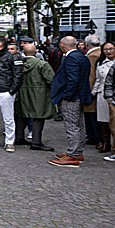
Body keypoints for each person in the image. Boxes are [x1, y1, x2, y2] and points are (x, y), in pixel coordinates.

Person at [48, 35, 93, 167]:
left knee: (72, 125)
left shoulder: (71, 58)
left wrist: (67, 95)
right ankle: (77, 152)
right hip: (80, 95)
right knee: (79, 124)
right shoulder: (81, 57)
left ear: (62, 46)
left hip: (72, 97)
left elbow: (73, 79)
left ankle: (73, 155)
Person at [12, 44, 57, 151]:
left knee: (22, 115)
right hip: (39, 94)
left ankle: (19, 137)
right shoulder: (42, 64)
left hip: (22, 93)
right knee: (38, 117)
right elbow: (51, 80)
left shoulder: (18, 64)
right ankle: (36, 142)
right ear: (36, 52)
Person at [92, 42, 115, 153]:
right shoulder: (101, 63)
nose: (108, 51)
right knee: (103, 120)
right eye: (105, 49)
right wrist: (93, 93)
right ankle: (106, 143)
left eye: (111, 49)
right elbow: (98, 79)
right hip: (102, 94)